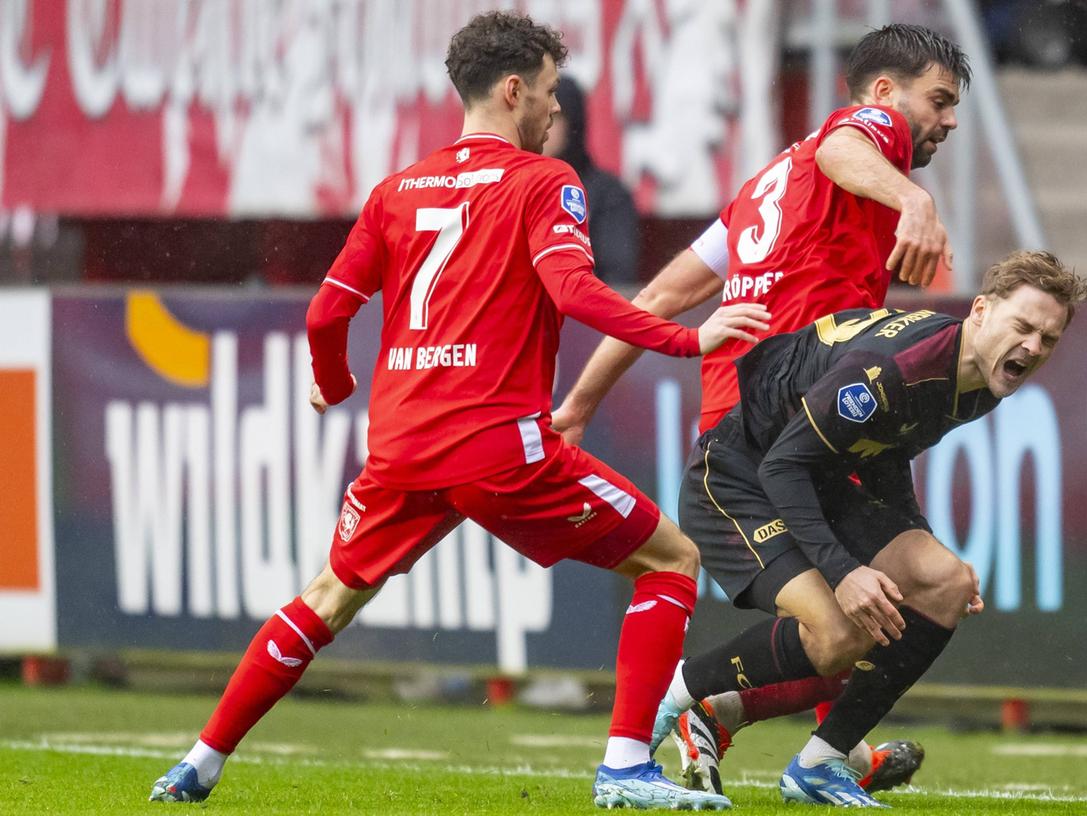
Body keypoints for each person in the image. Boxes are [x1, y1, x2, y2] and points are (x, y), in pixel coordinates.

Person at [146, 11, 768, 810]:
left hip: (402, 447)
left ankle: (197, 764)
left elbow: (326, 315)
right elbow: (575, 291)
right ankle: (623, 769)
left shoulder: (398, 190)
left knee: (326, 599)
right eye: (546, 92)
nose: (554, 110)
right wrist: (690, 339)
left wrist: (333, 386)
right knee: (671, 560)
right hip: (497, 446)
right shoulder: (546, 183)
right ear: (513, 90)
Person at [552, 23, 970, 796]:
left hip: (820, 439)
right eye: (938, 101)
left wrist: (577, 405)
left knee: (930, 590)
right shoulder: (867, 138)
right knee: (841, 628)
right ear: (883, 93)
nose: (947, 120)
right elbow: (847, 144)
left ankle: (806, 752)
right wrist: (913, 199)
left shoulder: (761, 193)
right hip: (749, 447)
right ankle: (680, 707)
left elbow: (658, 299)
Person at [656, 251, 1087, 806]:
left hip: (817, 480)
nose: (1032, 348)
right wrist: (844, 572)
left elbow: (887, 455)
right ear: (981, 310)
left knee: (946, 582)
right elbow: (783, 466)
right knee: (840, 633)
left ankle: (821, 763)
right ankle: (678, 692)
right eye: (1024, 327)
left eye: (1048, 339)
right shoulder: (894, 369)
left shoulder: (982, 375)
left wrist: (921, 543)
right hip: (739, 477)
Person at [543, 74, 641, 284]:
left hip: (583, 312)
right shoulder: (513, 185)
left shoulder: (608, 194)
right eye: (534, 116)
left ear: (573, 123)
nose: (542, 126)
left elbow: (618, 278)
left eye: (552, 118)